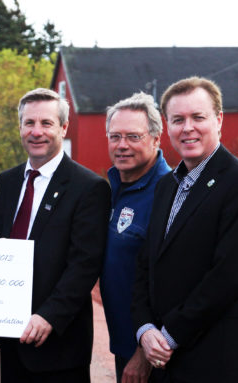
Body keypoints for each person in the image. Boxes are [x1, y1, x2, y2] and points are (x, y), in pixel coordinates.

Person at [131, 77, 238, 382]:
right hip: (163, 358)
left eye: (198, 117)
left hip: (215, 359)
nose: (187, 127)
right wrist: (145, 329)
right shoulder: (166, 185)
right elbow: (146, 264)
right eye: (178, 119)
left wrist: (169, 336)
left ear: (219, 120)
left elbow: (228, 277)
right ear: (167, 125)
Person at [0, 88, 110, 382]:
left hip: (59, 345)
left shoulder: (88, 187)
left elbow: (85, 264)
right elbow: (5, 241)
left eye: (46, 123)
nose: (37, 132)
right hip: (11, 336)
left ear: (63, 127)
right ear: (20, 127)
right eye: (29, 123)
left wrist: (50, 315)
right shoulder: (9, 182)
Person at [99, 92, 172, 383]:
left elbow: (175, 284)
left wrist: (145, 354)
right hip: (124, 343)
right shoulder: (112, 187)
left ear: (156, 139)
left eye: (133, 137)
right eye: (115, 136)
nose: (122, 145)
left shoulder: (169, 194)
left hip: (154, 352)